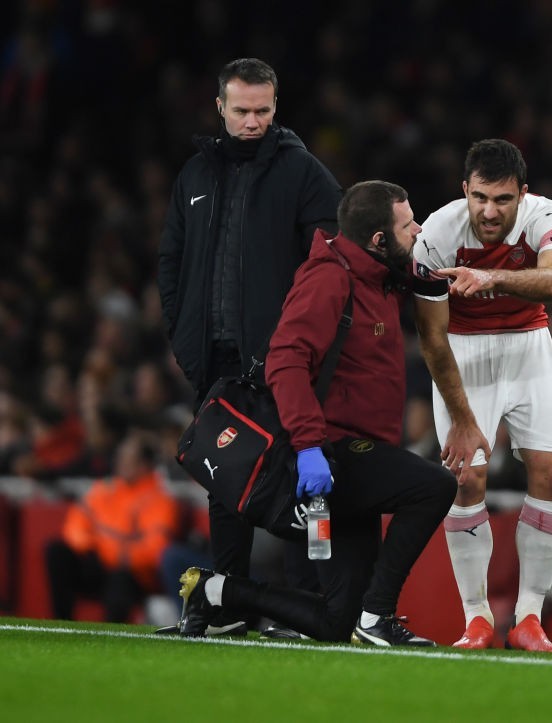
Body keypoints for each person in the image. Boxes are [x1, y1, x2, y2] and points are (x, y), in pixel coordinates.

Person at [177, 180, 458, 645]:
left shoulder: (377, 270)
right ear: (378, 240)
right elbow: (286, 360)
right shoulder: (329, 278)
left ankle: (216, 591)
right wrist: (309, 447)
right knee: (434, 486)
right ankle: (378, 616)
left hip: (352, 457)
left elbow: (415, 269)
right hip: (333, 453)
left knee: (334, 621)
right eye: (409, 224)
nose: (419, 229)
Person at [157, 58, 342, 636]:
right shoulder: (194, 175)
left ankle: (306, 607)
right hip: (216, 361)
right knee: (223, 478)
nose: (253, 121)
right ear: (220, 107)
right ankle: (229, 603)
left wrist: (302, 348)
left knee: (304, 482)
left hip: (288, 362)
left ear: (275, 107)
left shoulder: (305, 174)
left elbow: (331, 268)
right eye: (241, 110)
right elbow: (172, 261)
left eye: (263, 110)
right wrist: (184, 338)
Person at [412, 139, 552, 652]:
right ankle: (477, 619)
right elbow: (432, 337)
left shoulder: (548, 216)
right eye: (480, 197)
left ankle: (529, 618)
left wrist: (492, 277)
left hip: (529, 344)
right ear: (465, 190)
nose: (489, 210)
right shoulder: (436, 235)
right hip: (462, 350)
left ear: (522, 195)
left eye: (503, 200)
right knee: (467, 479)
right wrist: (461, 418)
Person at [45, 431, 178, 622]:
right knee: (57, 551)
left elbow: (155, 549)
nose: (120, 463)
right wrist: (88, 546)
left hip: (133, 574)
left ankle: (112, 635)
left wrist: (113, 554)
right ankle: (61, 623)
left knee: (120, 578)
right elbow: (75, 525)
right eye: (121, 457)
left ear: (145, 464)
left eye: (128, 459)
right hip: (98, 561)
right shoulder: (105, 489)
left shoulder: (160, 499)